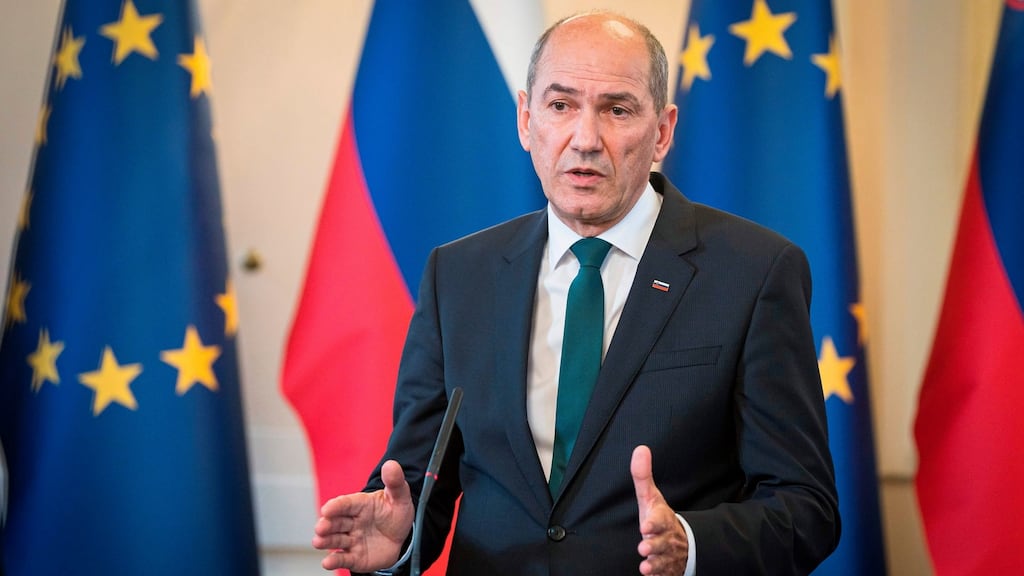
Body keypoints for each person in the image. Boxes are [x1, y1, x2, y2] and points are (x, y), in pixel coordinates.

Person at [313, 10, 839, 576]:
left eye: (617, 110)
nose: (585, 140)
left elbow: (806, 509)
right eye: (561, 106)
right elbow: (421, 477)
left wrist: (692, 543)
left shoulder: (754, 272)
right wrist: (399, 539)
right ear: (525, 119)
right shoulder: (458, 274)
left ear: (661, 131)